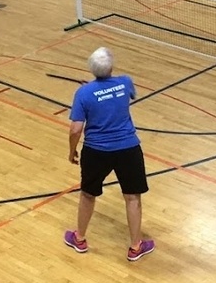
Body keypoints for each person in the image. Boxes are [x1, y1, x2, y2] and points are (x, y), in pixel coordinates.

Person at [64, 47, 155, 262]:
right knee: (132, 197)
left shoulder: (83, 94)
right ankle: (135, 247)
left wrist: (71, 151)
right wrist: (100, 90)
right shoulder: (126, 82)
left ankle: (80, 238)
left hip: (96, 151)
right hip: (128, 149)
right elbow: (121, 94)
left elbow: (76, 129)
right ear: (111, 66)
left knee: (88, 194)